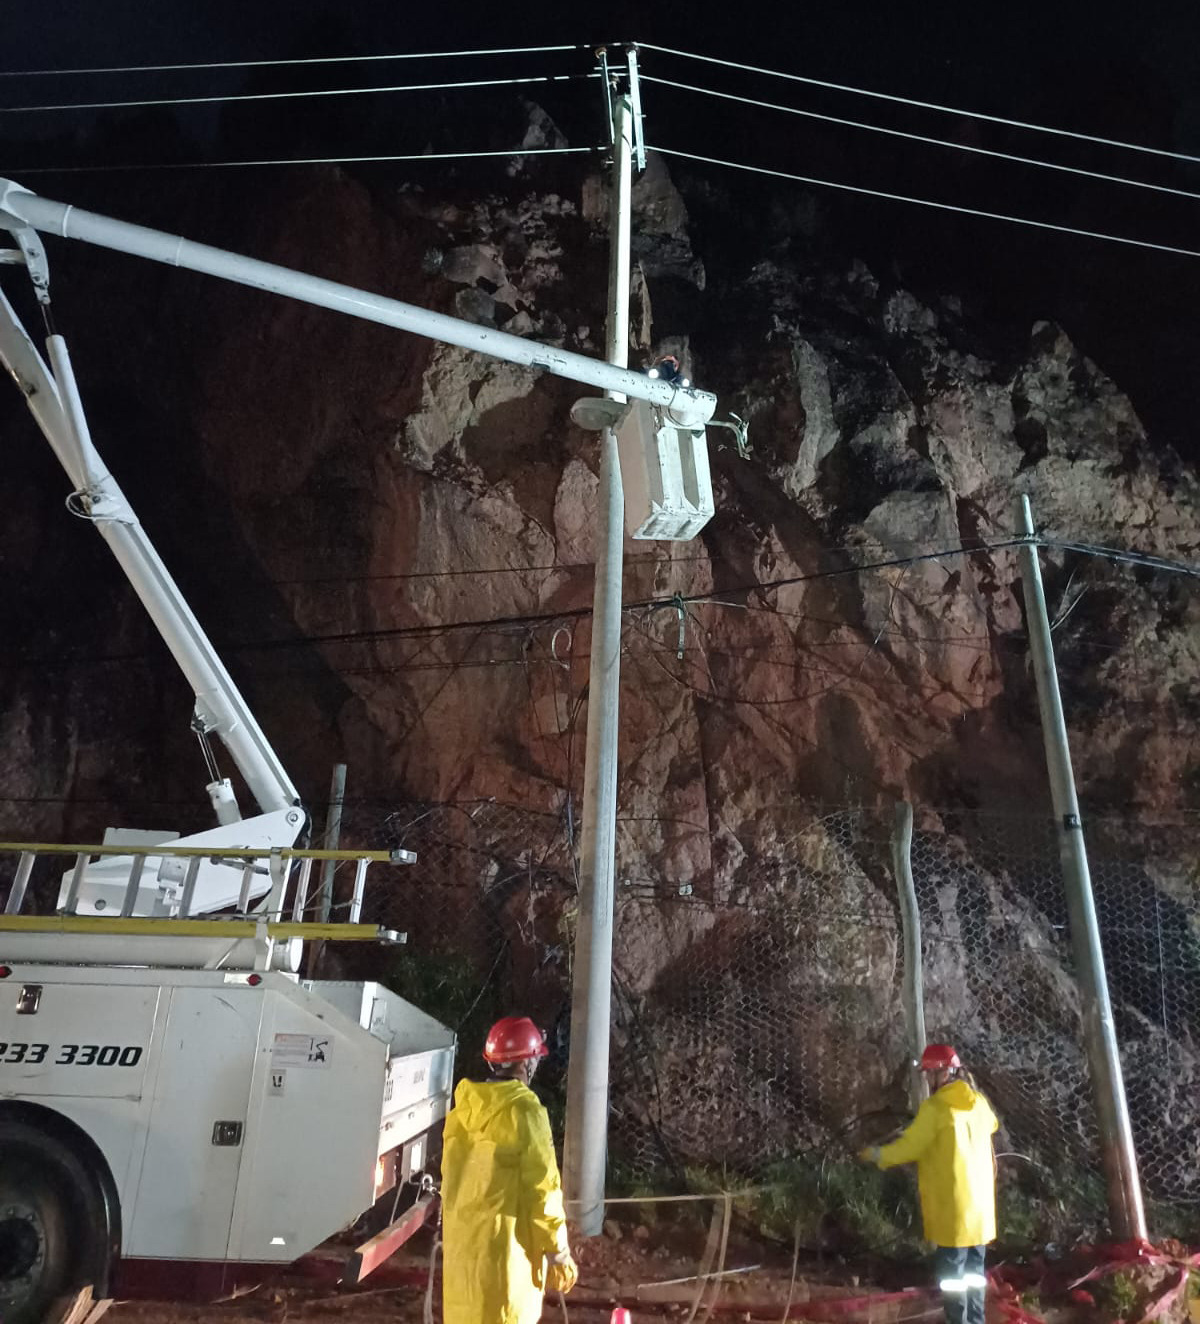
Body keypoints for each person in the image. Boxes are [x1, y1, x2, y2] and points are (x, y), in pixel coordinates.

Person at [441, 1016, 579, 1324]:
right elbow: (542, 1190)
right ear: (525, 1064)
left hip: (463, 1262)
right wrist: (558, 1254)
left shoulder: (463, 1110)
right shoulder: (525, 1112)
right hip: (507, 1262)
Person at [860, 1043, 999, 1324]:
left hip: (953, 1211)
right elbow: (993, 1124)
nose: (926, 1079)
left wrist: (877, 1155)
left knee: (953, 1280)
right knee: (974, 1276)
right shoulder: (979, 1103)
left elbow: (910, 1147)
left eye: (927, 1074)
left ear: (939, 1073)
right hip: (980, 1211)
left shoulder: (935, 1109)